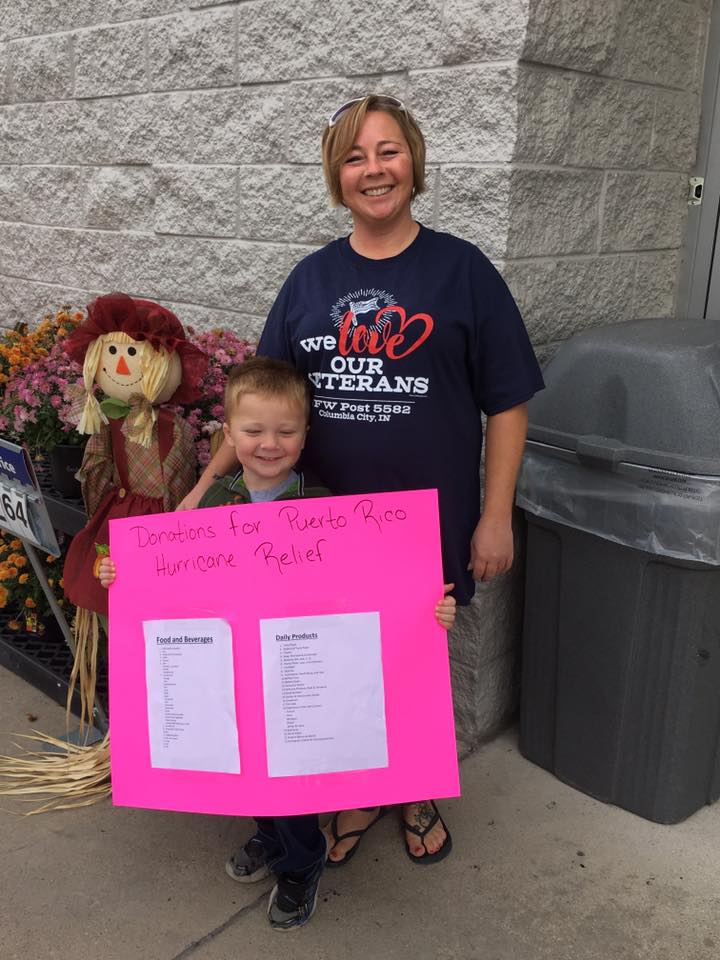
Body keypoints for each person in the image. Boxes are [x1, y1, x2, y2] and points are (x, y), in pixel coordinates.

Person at [178, 94, 544, 866]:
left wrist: (497, 517)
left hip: (427, 523)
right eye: (354, 156)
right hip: (320, 527)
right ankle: (355, 787)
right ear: (336, 176)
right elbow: (259, 399)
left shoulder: (462, 272)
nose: (373, 170)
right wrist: (204, 488)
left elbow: (507, 400)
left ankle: (414, 790)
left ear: (413, 162)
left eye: (387, 151)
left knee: (415, 660)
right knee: (334, 664)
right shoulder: (311, 280)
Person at [101, 355, 457, 929]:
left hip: (298, 671)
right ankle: (267, 836)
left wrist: (430, 608)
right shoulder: (212, 505)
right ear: (228, 434)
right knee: (247, 768)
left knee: (291, 780)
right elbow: (169, 583)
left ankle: (301, 862)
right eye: (253, 430)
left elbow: (379, 592)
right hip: (235, 673)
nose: (269, 443)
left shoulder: (330, 508)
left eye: (285, 431)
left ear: (305, 434)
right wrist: (123, 578)